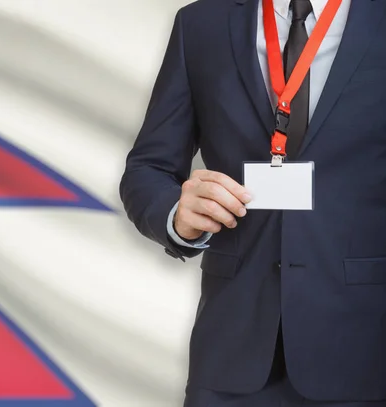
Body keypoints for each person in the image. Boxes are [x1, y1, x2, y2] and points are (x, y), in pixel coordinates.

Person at [119, 0, 386, 406]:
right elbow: (147, 167)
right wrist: (176, 214)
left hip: (366, 353)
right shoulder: (201, 24)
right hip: (231, 355)